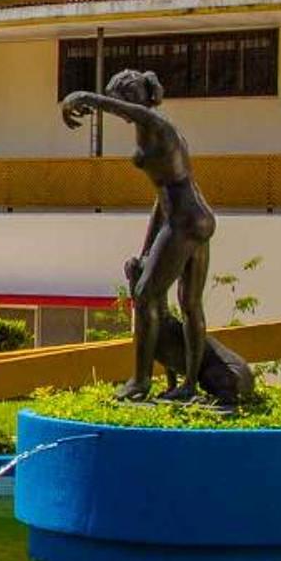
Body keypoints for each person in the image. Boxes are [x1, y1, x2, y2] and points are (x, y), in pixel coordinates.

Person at [60, 68, 217, 403]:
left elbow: (134, 113)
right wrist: (147, 249)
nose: (122, 108)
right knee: (189, 303)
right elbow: (162, 198)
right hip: (190, 216)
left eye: (123, 99)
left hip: (185, 220)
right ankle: (188, 385)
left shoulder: (156, 123)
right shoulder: (150, 130)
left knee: (146, 296)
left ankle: (140, 381)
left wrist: (84, 97)